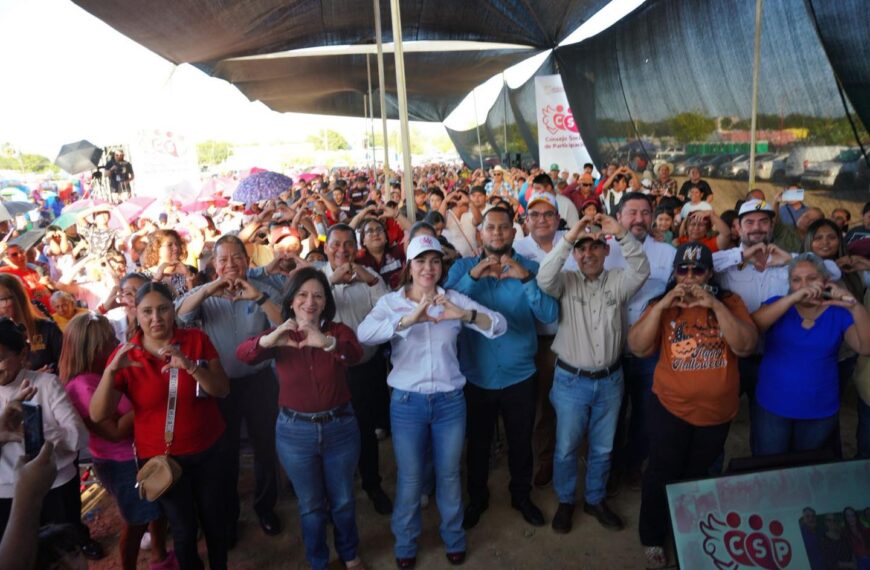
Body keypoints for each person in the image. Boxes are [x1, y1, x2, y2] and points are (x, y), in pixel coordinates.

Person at [358, 235, 506, 569]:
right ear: (409, 266)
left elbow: (499, 325)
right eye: (421, 261)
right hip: (407, 403)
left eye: (435, 261)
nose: (428, 268)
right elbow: (363, 334)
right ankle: (406, 542)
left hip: (449, 402)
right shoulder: (392, 302)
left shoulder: (453, 299)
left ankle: (453, 538)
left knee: (450, 474)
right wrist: (407, 321)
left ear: (442, 266)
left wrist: (465, 315)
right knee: (410, 478)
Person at [627, 242, 757, 568]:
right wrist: (661, 307)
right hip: (670, 406)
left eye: (697, 270)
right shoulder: (664, 302)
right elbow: (638, 347)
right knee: (660, 472)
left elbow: (745, 346)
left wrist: (714, 304)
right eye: (682, 269)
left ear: (710, 272)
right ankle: (653, 535)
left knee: (697, 475)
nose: (689, 277)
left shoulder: (730, 301)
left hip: (716, 413)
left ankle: (688, 531)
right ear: (674, 272)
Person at [90, 282, 230, 570]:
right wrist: (110, 372)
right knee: (182, 529)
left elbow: (222, 389)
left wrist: (190, 366)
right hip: (160, 459)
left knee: (216, 521)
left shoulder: (195, 340)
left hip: (208, 449)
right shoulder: (127, 355)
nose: (156, 318)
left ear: (173, 310)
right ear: (136, 314)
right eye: (147, 312)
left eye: (163, 309)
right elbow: (98, 414)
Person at [236, 267, 366, 570]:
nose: (310, 302)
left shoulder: (337, 332)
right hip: (296, 433)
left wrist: (328, 343)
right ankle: (318, 560)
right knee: (310, 506)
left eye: (318, 296)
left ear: (326, 302)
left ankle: (350, 554)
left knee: (344, 500)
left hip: (340, 428)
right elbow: (244, 355)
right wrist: (269, 341)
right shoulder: (281, 335)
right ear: (291, 300)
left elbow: (355, 354)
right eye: (303, 295)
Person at [445, 207, 559, 529]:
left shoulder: (533, 268)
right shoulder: (463, 268)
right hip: (476, 375)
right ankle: (477, 498)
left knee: (520, 441)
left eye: (503, 228)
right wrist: (473, 276)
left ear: (514, 232)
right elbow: (447, 302)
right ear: (480, 232)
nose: (497, 233)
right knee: (478, 443)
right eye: (490, 227)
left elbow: (549, 314)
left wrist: (525, 280)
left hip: (519, 375)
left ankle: (521, 495)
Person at [537, 214, 650, 534]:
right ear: (574, 253)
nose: (588, 254)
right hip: (571, 381)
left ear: (605, 250)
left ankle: (595, 498)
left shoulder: (618, 280)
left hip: (611, 380)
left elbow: (642, 269)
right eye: (581, 249)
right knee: (567, 447)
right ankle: (566, 500)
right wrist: (571, 235)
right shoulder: (565, 282)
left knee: (602, 447)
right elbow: (544, 277)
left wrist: (623, 233)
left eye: (595, 247)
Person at [176, 235, 285, 541]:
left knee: (266, 446)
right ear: (213, 265)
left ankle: (265, 508)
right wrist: (210, 288)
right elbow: (179, 316)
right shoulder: (203, 293)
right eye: (222, 259)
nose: (230, 265)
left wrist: (259, 297)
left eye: (236, 258)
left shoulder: (262, 290)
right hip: (221, 385)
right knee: (225, 453)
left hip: (260, 380)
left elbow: (285, 323)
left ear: (248, 261)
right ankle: (229, 516)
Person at [60, 313, 174, 570]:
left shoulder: (103, 373)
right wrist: (152, 398)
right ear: (91, 349)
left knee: (155, 510)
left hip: (139, 452)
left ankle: (160, 557)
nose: (115, 343)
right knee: (136, 520)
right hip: (121, 462)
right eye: (109, 340)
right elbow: (114, 431)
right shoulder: (83, 386)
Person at [750, 254, 870, 455]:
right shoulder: (779, 304)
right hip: (773, 406)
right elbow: (754, 326)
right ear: (790, 284)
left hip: (819, 409)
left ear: (825, 282)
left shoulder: (838, 312)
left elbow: (865, 347)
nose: (804, 285)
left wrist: (854, 306)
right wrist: (792, 298)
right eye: (797, 280)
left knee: (807, 471)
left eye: (811, 278)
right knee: (770, 468)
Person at [0, 318, 99, 557]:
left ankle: (81, 543)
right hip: (7, 491)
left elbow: (78, 438)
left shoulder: (45, 384)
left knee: (65, 547)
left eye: (0, 357)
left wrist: (36, 431)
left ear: (23, 353)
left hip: (56, 482)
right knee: (24, 554)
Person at [603, 193, 677, 495]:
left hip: (649, 350)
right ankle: (607, 470)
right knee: (611, 414)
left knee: (646, 414)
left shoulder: (666, 252)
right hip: (609, 347)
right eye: (631, 212)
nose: (638, 218)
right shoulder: (603, 250)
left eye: (645, 213)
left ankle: (632, 464)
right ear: (618, 216)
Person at [317, 224, 393, 514]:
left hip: (366, 367)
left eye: (348, 244)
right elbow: (313, 316)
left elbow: (387, 309)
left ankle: (372, 485)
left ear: (356, 247)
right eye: (336, 244)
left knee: (365, 430)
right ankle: (333, 493)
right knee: (332, 433)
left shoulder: (369, 276)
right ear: (326, 247)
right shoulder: (317, 280)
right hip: (330, 370)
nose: (342, 250)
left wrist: (371, 281)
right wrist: (331, 284)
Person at [513, 193, 578, 488]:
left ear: (558, 219)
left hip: (574, 335)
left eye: (548, 214)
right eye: (535, 215)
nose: (542, 220)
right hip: (537, 340)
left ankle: (574, 455)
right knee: (543, 405)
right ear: (526, 220)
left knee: (576, 402)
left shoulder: (574, 243)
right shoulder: (516, 249)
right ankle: (546, 458)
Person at [0, 274, 62, 372]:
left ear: (18, 298)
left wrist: (45, 377)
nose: (2, 306)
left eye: (2, 299)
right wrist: (33, 377)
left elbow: (67, 365)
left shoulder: (48, 328)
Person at [0, 244, 53, 311]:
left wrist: (49, 283)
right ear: (7, 259)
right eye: (14, 255)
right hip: (36, 315)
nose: (20, 255)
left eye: (22, 252)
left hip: (54, 310)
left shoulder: (33, 269)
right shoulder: (6, 272)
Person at [141, 230, 195, 296]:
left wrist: (189, 278)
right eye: (169, 245)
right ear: (156, 248)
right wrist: (156, 280)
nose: (176, 248)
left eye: (177, 244)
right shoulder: (145, 277)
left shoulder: (189, 270)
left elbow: (196, 299)